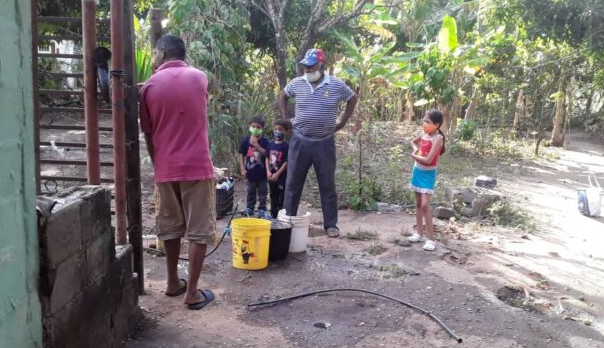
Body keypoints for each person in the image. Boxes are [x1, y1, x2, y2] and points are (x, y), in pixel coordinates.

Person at [139, 35, 215, 310]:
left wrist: (158, 163)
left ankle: (172, 282)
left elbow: (148, 133)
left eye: (155, 54)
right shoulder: (199, 77)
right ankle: (191, 292)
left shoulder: (148, 86)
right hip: (197, 165)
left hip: (166, 167)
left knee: (170, 227)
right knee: (199, 231)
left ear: (161, 52)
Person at [278, 48, 358, 238]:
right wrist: (285, 118)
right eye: (305, 66)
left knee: (327, 184)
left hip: (324, 143)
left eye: (311, 66)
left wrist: (343, 122)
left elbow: (352, 98)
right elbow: (283, 95)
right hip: (300, 141)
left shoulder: (336, 85)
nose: (308, 69)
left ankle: (331, 225)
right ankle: (288, 220)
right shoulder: (297, 83)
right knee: (293, 183)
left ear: (321, 65)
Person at [407, 109, 446, 251]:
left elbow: (429, 160)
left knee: (425, 204)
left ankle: (431, 239)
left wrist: (415, 156)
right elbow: (413, 142)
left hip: (428, 174)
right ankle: (419, 233)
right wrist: (416, 150)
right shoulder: (424, 134)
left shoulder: (438, 139)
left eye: (427, 122)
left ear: (437, 125)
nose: (424, 124)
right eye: (424, 121)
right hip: (417, 171)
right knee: (418, 203)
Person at [239, 116, 270, 218]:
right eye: (253, 126)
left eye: (258, 127)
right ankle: (250, 207)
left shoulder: (265, 142)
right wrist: (243, 169)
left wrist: (256, 145)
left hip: (262, 173)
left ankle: (262, 209)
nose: (255, 129)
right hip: (250, 173)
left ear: (262, 129)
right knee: (250, 191)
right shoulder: (245, 141)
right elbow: (242, 155)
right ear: (250, 126)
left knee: (263, 192)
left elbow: (267, 154)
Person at [265, 119, 291, 218]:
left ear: (286, 132)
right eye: (275, 129)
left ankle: (281, 215)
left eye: (280, 129)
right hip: (271, 176)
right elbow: (267, 158)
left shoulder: (287, 146)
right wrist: (268, 172)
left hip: (281, 177)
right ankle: (273, 214)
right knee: (272, 195)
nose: (277, 131)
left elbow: (287, 162)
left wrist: (277, 174)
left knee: (281, 197)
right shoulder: (270, 144)